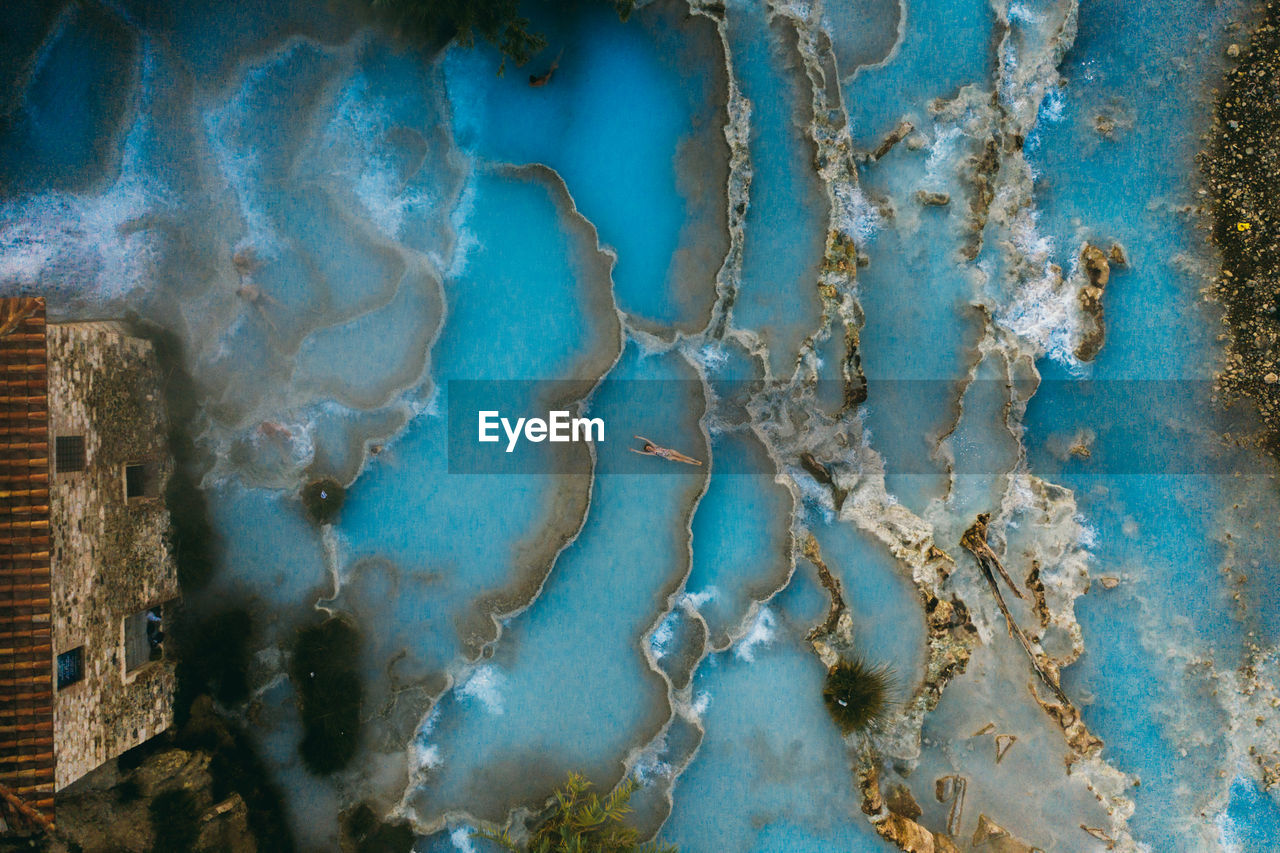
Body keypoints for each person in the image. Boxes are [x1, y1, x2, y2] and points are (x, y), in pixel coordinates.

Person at [630, 435, 702, 465]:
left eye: (648, 447)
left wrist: (638, 437)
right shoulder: (653, 453)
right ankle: (695, 464)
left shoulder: (655, 446)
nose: (648, 448)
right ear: (648, 451)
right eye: (647, 449)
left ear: (649, 446)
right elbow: (642, 453)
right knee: (682, 460)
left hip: (670, 451)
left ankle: (696, 461)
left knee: (683, 456)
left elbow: (646, 439)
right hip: (669, 457)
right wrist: (634, 450)